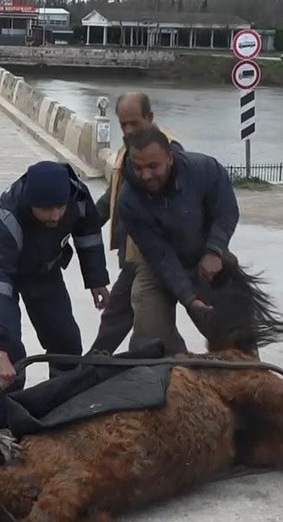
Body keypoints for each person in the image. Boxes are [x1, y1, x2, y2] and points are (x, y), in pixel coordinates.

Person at [0, 160, 111, 394]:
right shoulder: (5, 220)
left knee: (66, 344)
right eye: (46, 209)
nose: (55, 215)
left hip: (44, 269)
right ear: (30, 203)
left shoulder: (76, 196)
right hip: (3, 270)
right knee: (11, 353)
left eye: (59, 206)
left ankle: (59, 408)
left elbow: (88, 234)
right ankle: (2, 418)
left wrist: (96, 280)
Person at [115, 124, 249, 357]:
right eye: (138, 168)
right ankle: (179, 372)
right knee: (149, 339)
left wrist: (215, 250)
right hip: (157, 267)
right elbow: (159, 255)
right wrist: (188, 298)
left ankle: (246, 370)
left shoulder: (206, 170)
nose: (145, 175)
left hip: (207, 257)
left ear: (170, 158)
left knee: (235, 334)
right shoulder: (128, 200)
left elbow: (227, 211)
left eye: (153, 166)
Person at [89, 92, 185, 355]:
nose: (129, 130)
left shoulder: (168, 150)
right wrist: (83, 224)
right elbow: (112, 197)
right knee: (117, 319)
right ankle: (88, 369)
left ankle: (92, 368)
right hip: (134, 254)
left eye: (135, 123)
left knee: (150, 326)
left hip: (156, 256)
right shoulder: (127, 151)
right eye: (123, 125)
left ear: (150, 117)